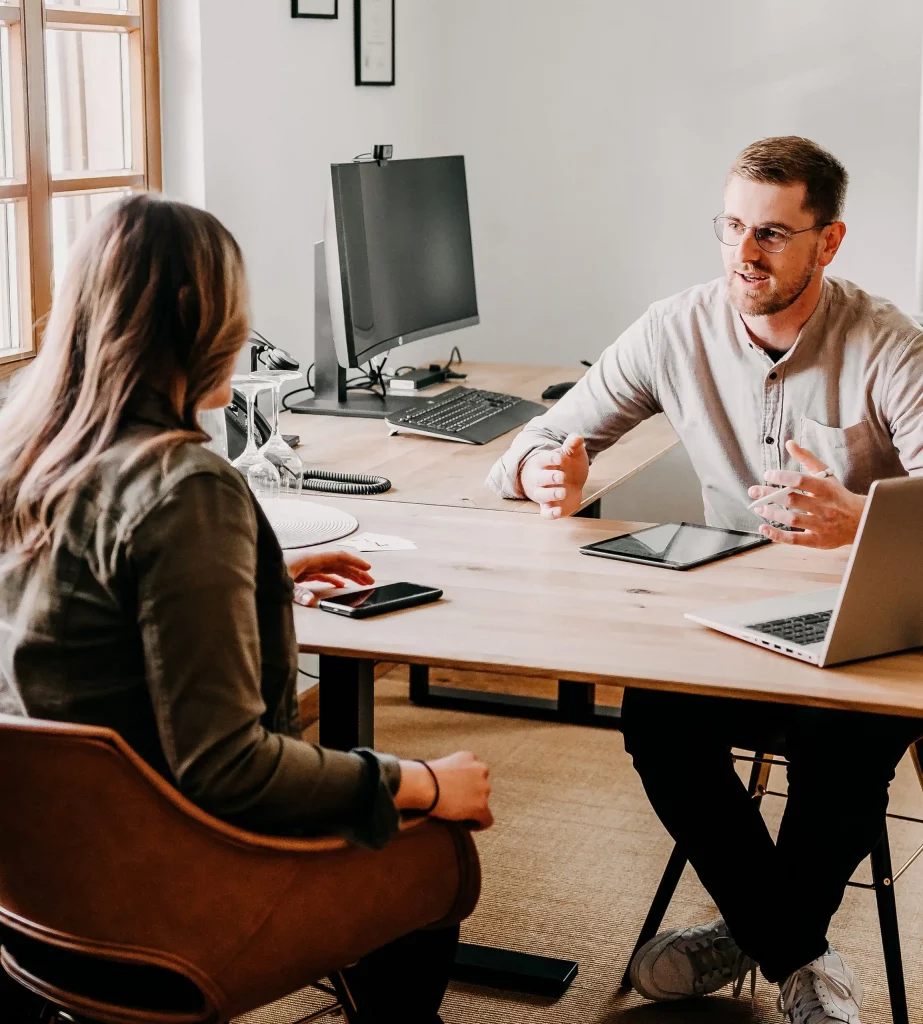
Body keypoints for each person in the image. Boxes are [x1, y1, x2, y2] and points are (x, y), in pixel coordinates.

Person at [0, 193, 493, 1023]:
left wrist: (254, 578)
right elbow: (231, 769)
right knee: (430, 834)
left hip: (36, 905)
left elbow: (77, 622)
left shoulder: (28, 453)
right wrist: (421, 783)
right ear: (197, 319)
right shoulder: (183, 487)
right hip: (169, 912)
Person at [487, 136, 923, 1023]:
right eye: (730, 227)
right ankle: (790, 947)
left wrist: (858, 519)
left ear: (827, 241)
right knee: (654, 719)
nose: (743, 254)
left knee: (840, 747)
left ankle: (757, 937)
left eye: (770, 233)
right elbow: (534, 442)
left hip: (863, 624)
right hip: (734, 620)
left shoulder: (887, 345)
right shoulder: (674, 328)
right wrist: (543, 471)